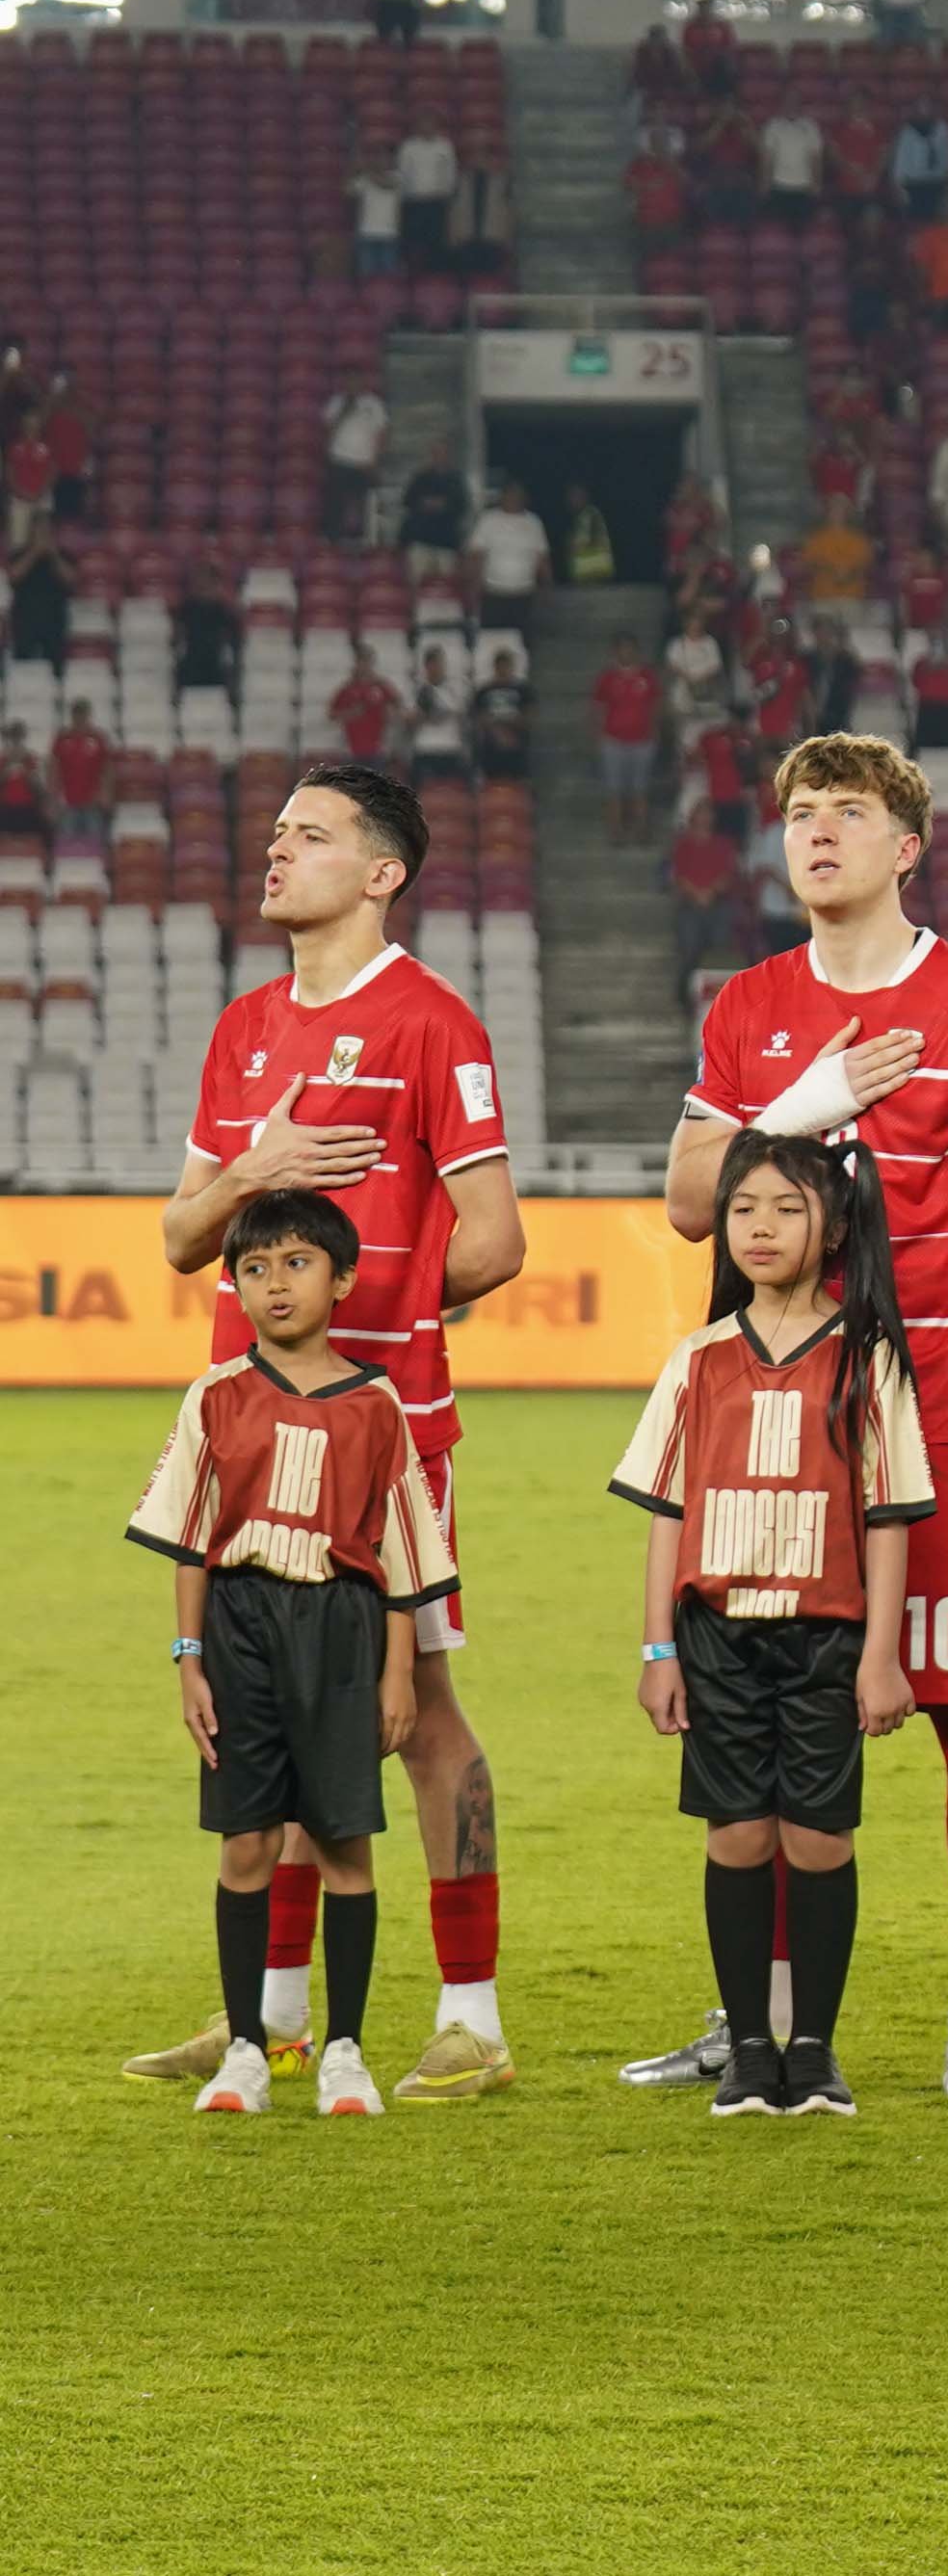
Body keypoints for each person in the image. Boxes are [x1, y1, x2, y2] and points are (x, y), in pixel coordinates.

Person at [663, 734, 948, 2102]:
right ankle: (765, 2022)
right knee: (767, 1712)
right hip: (777, 1424)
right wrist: (806, 1106)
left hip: (937, 1419)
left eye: (846, 812)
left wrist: (926, 1331)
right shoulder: (748, 1006)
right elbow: (687, 1200)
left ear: (910, 846)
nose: (813, 831)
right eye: (796, 812)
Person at [134, 763, 525, 2099]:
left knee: (419, 1721)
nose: (273, 848)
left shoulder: (432, 1022)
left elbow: (496, 1237)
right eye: (275, 830)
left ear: (381, 872)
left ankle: (473, 2017)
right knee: (275, 1706)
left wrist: (350, 1341)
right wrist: (258, 1166)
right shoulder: (244, 1027)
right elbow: (186, 1236)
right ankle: (271, 2019)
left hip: (381, 1435)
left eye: (308, 834)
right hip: (247, 1435)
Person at [617, 1135, 932, 2124]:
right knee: (740, 1835)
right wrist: (658, 1648)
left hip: (827, 1639)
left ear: (834, 1227)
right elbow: (667, 1511)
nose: (760, 1225)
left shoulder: (868, 1357)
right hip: (717, 1637)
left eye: (787, 1208)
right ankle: (749, 2049)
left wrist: (880, 1655)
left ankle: (815, 2049)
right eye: (744, 1206)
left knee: (819, 1839)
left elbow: (886, 1517)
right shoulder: (700, 1357)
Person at [129, 1192, 456, 2120]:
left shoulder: (377, 1404)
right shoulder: (216, 1397)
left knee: (345, 1841)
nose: (275, 1284)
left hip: (344, 1630)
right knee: (247, 1843)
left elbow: (397, 1559)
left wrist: (398, 1672)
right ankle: (246, 2050)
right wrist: (189, 1657)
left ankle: (345, 2050)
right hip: (237, 1626)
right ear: (233, 1285)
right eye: (255, 1268)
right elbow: (192, 1540)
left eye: (298, 1263)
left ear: (342, 1278)